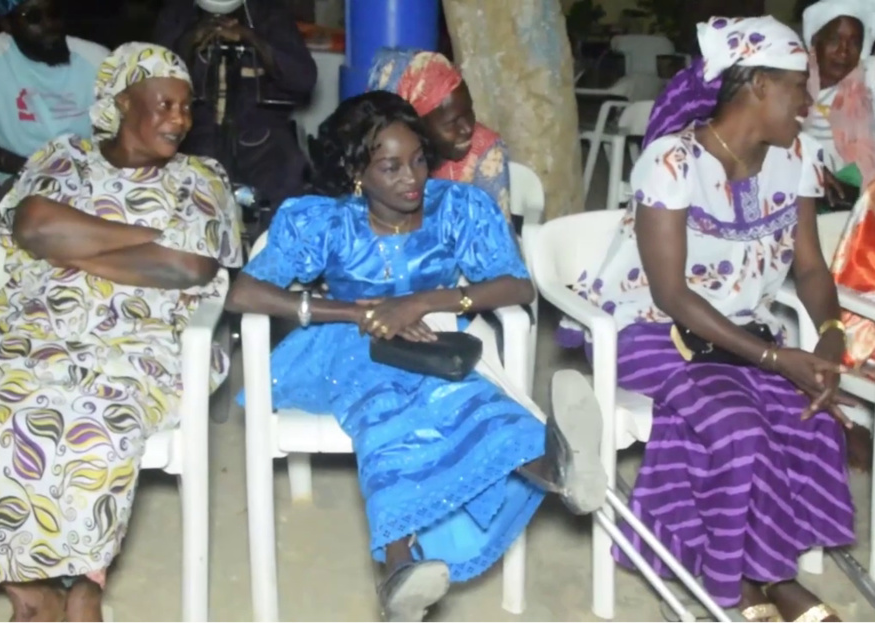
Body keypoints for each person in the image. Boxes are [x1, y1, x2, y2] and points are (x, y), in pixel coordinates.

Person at [227, 90, 606, 622]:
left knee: (465, 393)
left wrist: (425, 301)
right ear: (358, 173)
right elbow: (243, 293)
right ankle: (405, 564)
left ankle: (559, 468)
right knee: (384, 405)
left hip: (435, 334)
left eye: (420, 159)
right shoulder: (327, 221)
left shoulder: (458, 208)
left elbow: (516, 286)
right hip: (343, 346)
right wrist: (353, 313)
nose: (413, 178)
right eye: (391, 167)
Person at [0, 42, 241, 621]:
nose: (179, 119)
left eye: (186, 107)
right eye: (164, 103)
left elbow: (189, 267)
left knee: (92, 433)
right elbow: (32, 224)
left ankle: (85, 583)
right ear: (121, 102)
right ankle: (27, 587)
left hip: (146, 343)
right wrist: (148, 234)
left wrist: (72, 248)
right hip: (35, 331)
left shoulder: (202, 176)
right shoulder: (61, 157)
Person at [563, 16, 857, 622]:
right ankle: (757, 582)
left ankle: (754, 579)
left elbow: (809, 270)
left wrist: (830, 336)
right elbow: (670, 294)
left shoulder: (793, 157)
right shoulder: (672, 162)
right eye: (796, 85)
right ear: (755, 85)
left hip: (739, 331)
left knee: (806, 418)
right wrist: (778, 358)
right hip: (647, 330)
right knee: (736, 426)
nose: (807, 100)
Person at [0, 0, 109, 234]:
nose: (49, 24)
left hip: (94, 175)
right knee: (41, 233)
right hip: (22, 180)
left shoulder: (97, 58)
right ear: (7, 24)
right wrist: (26, 167)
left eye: (53, 12)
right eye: (33, 17)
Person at [154, 0, 316, 209]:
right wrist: (189, 42)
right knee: (181, 198)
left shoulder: (270, 13)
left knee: (288, 190)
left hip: (263, 136)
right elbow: (153, 82)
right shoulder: (178, 13)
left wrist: (252, 39)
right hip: (194, 133)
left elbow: (303, 79)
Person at [366, 48, 512, 220]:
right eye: (452, 122)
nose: (467, 128)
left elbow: (492, 238)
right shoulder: (378, 150)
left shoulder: (486, 155)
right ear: (413, 126)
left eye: (468, 112)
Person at [801, 0, 875, 210]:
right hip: (806, 186)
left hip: (860, 186)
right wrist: (811, 170)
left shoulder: (867, 78)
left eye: (854, 41)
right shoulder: (793, 81)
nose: (844, 51)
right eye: (835, 39)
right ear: (816, 41)